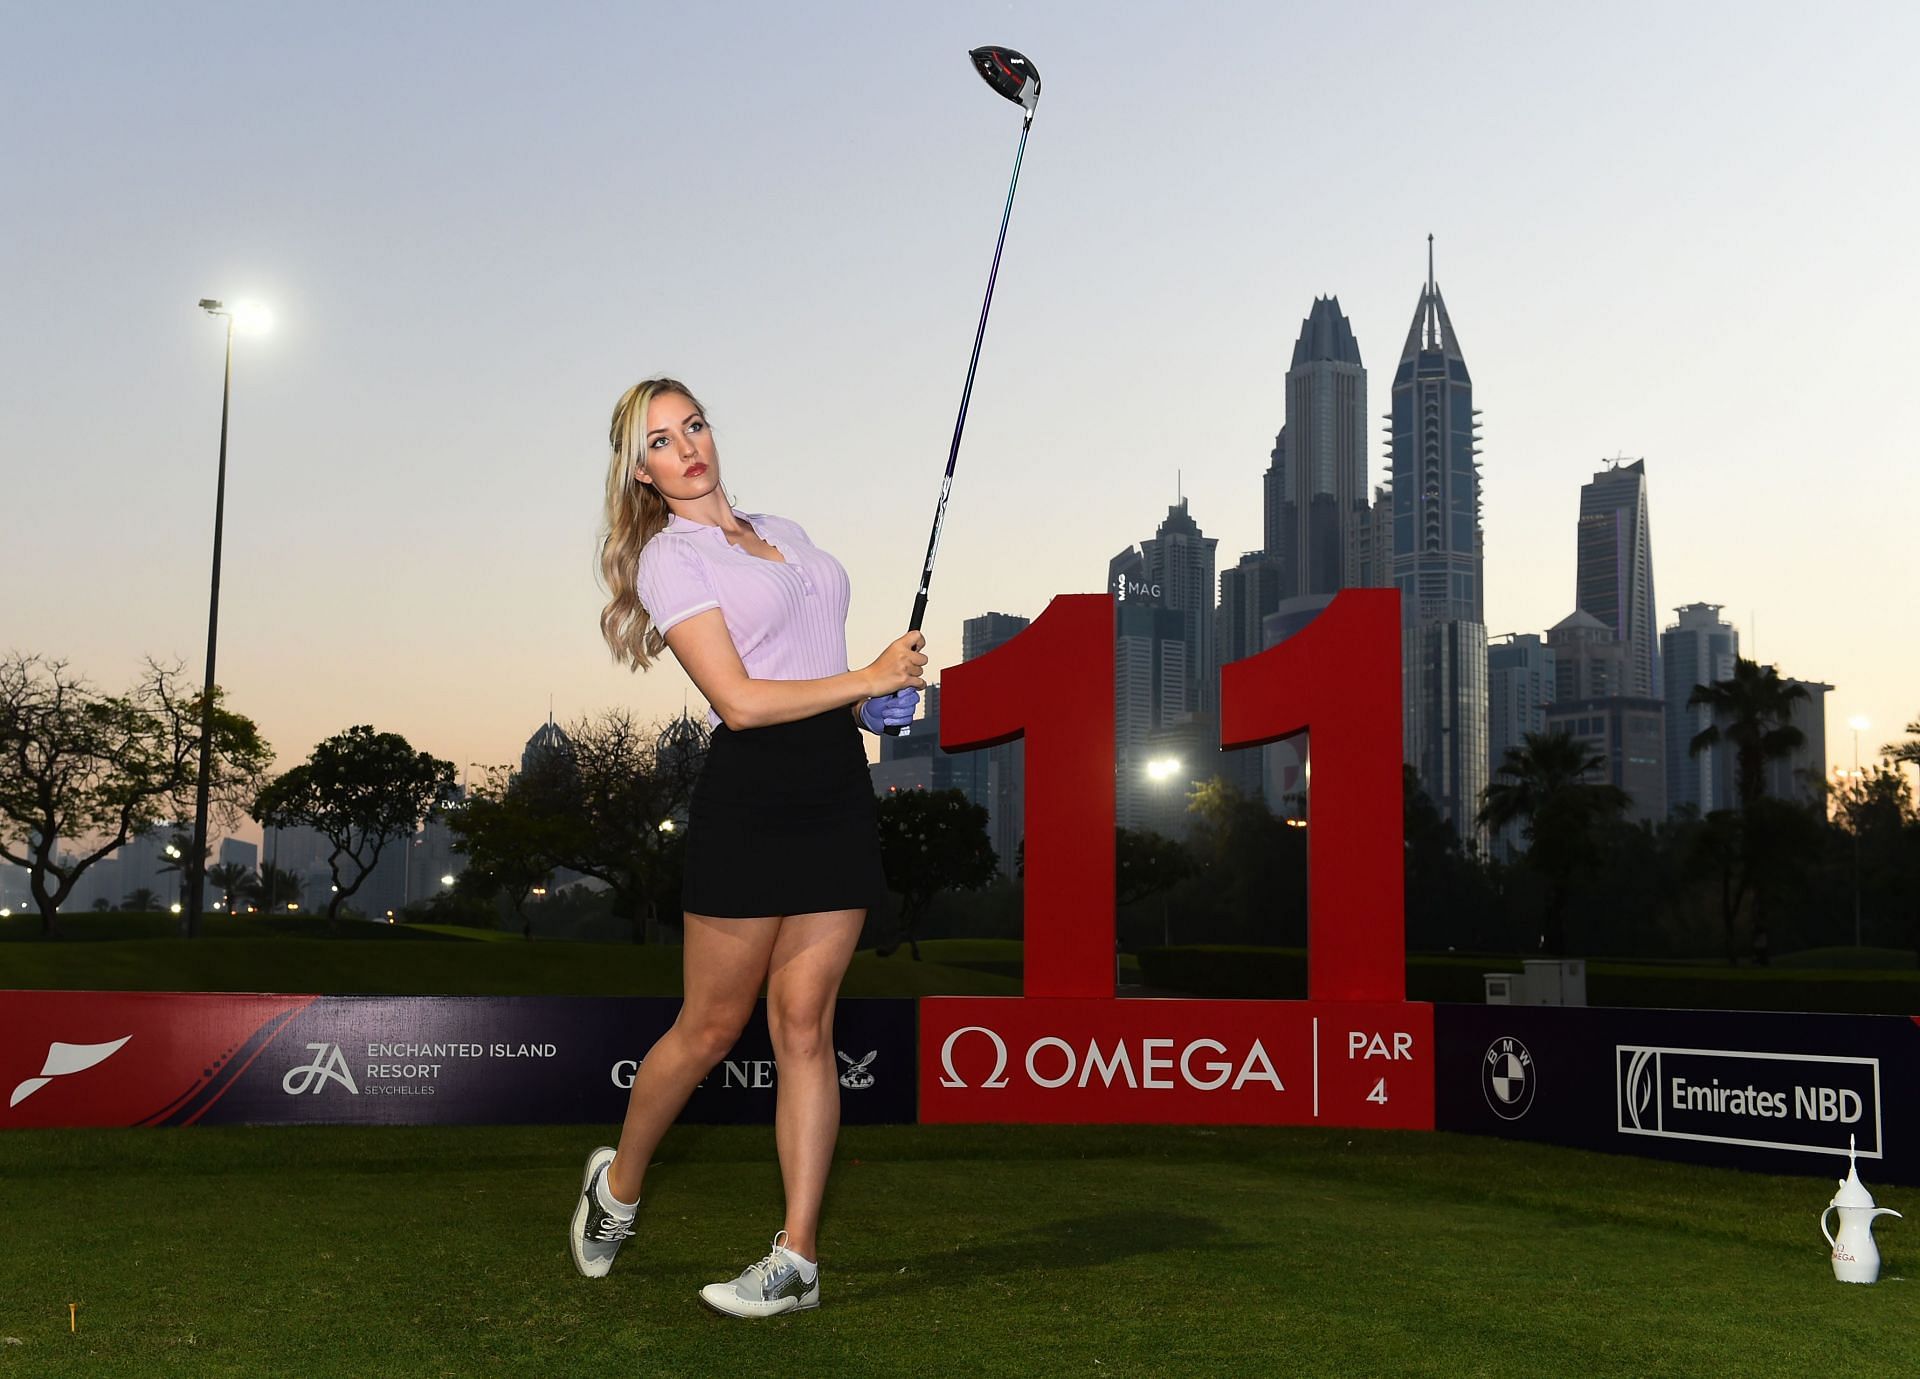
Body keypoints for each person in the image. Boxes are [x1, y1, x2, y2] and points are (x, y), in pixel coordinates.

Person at [574, 377, 926, 1317]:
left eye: (693, 425)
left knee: (806, 1025)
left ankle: (797, 1260)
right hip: (753, 794)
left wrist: (872, 700)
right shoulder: (670, 560)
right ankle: (618, 1188)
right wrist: (864, 675)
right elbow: (740, 699)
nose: (686, 446)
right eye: (660, 440)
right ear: (640, 472)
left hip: (834, 786)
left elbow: (813, 672)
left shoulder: (789, 533)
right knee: (709, 1028)